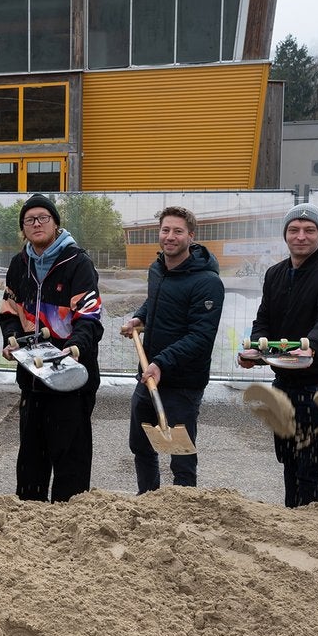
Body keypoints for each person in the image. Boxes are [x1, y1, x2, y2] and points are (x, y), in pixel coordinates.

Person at [237, 203, 318, 508]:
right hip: (285, 379)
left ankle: (313, 523)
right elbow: (264, 319)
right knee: (288, 456)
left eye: (309, 230)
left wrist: (312, 344)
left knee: (311, 461)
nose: (301, 236)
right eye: (294, 230)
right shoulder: (275, 274)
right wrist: (256, 348)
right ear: (285, 235)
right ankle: (293, 517)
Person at [0, 194, 103, 502]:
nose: (36, 224)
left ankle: (68, 518)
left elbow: (89, 317)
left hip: (71, 379)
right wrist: (11, 339)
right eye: (29, 220)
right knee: (31, 459)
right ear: (23, 228)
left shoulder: (77, 263)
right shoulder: (19, 264)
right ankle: (30, 517)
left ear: (56, 223)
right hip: (33, 378)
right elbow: (9, 310)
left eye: (43, 218)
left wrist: (75, 346)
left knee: (71, 461)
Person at [120, 205, 224, 493]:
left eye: (178, 231)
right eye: (165, 230)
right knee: (141, 445)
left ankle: (184, 507)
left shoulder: (207, 282)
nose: (170, 236)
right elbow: (155, 301)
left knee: (181, 455)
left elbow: (201, 336)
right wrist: (140, 317)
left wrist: (161, 363)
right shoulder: (157, 270)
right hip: (149, 374)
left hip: (182, 382)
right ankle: (148, 499)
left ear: (191, 236)